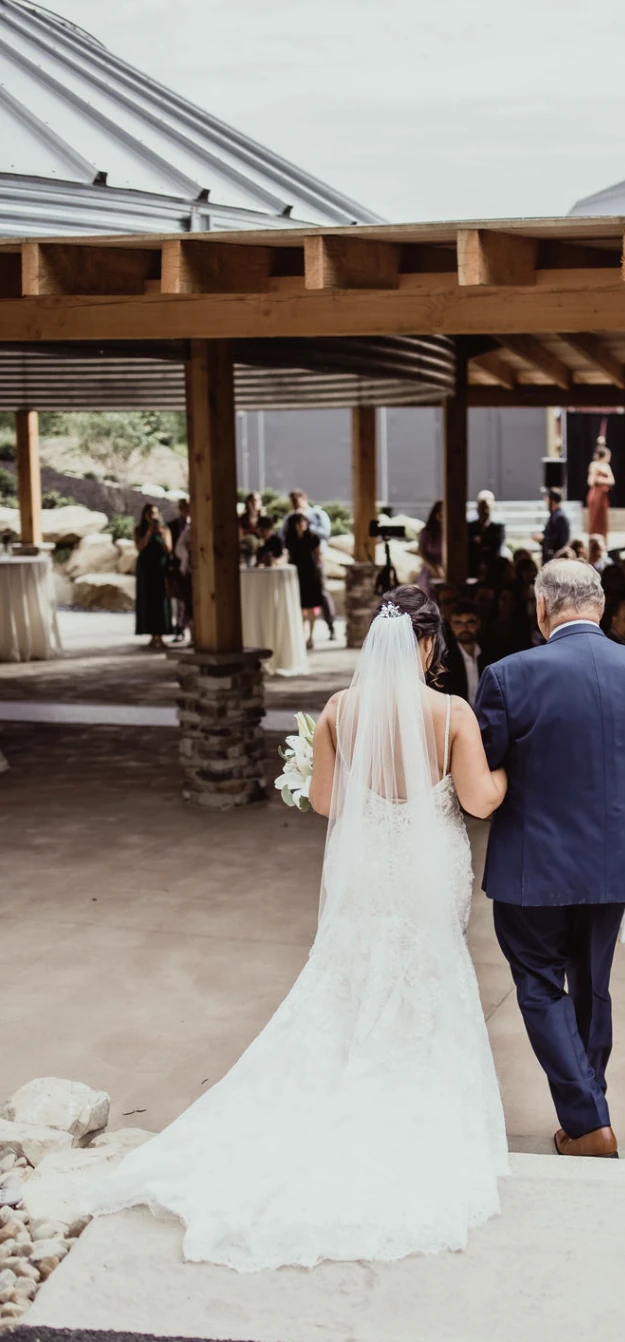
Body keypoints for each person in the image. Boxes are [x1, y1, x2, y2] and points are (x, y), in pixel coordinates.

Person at [83, 586, 510, 1266]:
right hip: (429, 871)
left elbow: (322, 803)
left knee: (354, 966)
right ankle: (405, 1099)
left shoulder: (341, 709)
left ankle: (339, 1082)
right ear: (428, 646)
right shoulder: (451, 711)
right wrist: (510, 774)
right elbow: (480, 800)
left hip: (369, 866)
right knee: (426, 965)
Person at [475, 560, 625, 1159]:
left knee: (541, 985)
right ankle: (591, 1109)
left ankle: (590, 1122)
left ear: (542, 608)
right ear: (598, 605)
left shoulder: (507, 675)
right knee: (594, 984)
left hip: (533, 866)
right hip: (617, 861)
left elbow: (484, 777)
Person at [282, 491, 336, 638]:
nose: (295, 503)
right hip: (298, 564)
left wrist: (306, 525)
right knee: (300, 599)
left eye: (297, 500)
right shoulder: (289, 519)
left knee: (322, 594)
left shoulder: (317, 514)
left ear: (304, 499)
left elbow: (325, 533)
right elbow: (283, 537)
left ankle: (331, 626)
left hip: (314, 563)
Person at [286, 511, 332, 648]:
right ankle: (301, 635)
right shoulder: (291, 540)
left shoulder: (313, 537)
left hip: (311, 574)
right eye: (298, 523)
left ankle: (311, 637)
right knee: (300, 607)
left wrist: (318, 573)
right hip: (297, 574)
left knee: (311, 606)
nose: (301, 525)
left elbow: (318, 556)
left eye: (303, 522)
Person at [134, 503, 171, 649]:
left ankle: (161, 635)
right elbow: (139, 547)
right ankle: (151, 635)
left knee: (161, 600)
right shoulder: (140, 530)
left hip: (160, 568)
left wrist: (160, 534)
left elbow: (168, 549)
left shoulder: (165, 529)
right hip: (145, 569)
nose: (152, 516)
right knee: (147, 600)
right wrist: (149, 533)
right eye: (149, 513)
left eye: (155, 513)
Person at [442, 599, 488, 706]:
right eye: (458, 623)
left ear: (478, 623)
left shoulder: (491, 653)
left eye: (470, 622)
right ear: (451, 625)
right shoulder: (444, 659)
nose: (465, 628)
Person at [166, 499, 191, 643]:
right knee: (180, 601)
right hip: (179, 567)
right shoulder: (172, 526)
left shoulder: (196, 525)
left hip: (192, 567)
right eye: (184, 508)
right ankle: (179, 628)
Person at [467, 490, 506, 579]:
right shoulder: (470, 527)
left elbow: (497, 548)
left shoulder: (498, 527)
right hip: (472, 568)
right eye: (481, 507)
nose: (484, 511)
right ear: (477, 508)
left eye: (486, 508)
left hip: (493, 569)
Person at [586, 444, 615, 541]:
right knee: (594, 518)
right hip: (595, 495)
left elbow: (612, 481)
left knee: (602, 520)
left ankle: (603, 541)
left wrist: (599, 479)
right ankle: (593, 541)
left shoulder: (606, 466)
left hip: (603, 495)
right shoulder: (594, 465)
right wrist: (602, 480)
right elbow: (591, 481)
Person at [536, 488, 570, 564]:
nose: (545, 501)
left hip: (556, 558)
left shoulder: (560, 517)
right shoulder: (554, 516)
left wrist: (543, 539)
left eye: (547, 499)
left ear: (552, 501)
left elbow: (561, 540)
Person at [416, 501, 443, 592]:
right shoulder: (427, 532)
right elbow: (421, 552)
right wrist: (434, 568)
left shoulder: (449, 534)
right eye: (441, 514)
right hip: (430, 569)